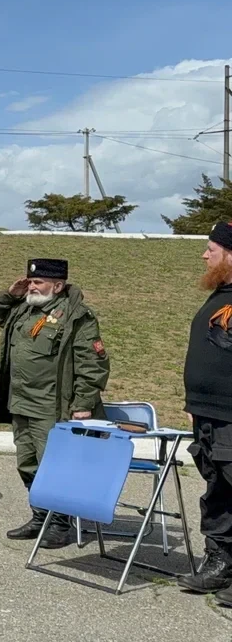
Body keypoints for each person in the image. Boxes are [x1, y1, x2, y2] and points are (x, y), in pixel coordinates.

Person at [0, 258, 109, 548]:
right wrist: (10, 294)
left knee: (55, 467)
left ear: (57, 286)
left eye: (38, 282)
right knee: (27, 463)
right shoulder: (24, 308)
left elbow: (92, 363)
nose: (31, 286)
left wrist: (83, 403)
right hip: (21, 402)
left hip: (52, 406)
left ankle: (60, 524)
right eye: (30, 281)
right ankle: (40, 516)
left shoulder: (77, 316)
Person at [176, 223, 232, 598]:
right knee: (218, 492)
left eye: (211, 249)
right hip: (208, 415)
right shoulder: (219, 295)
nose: (204, 255)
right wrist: (195, 403)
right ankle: (220, 565)